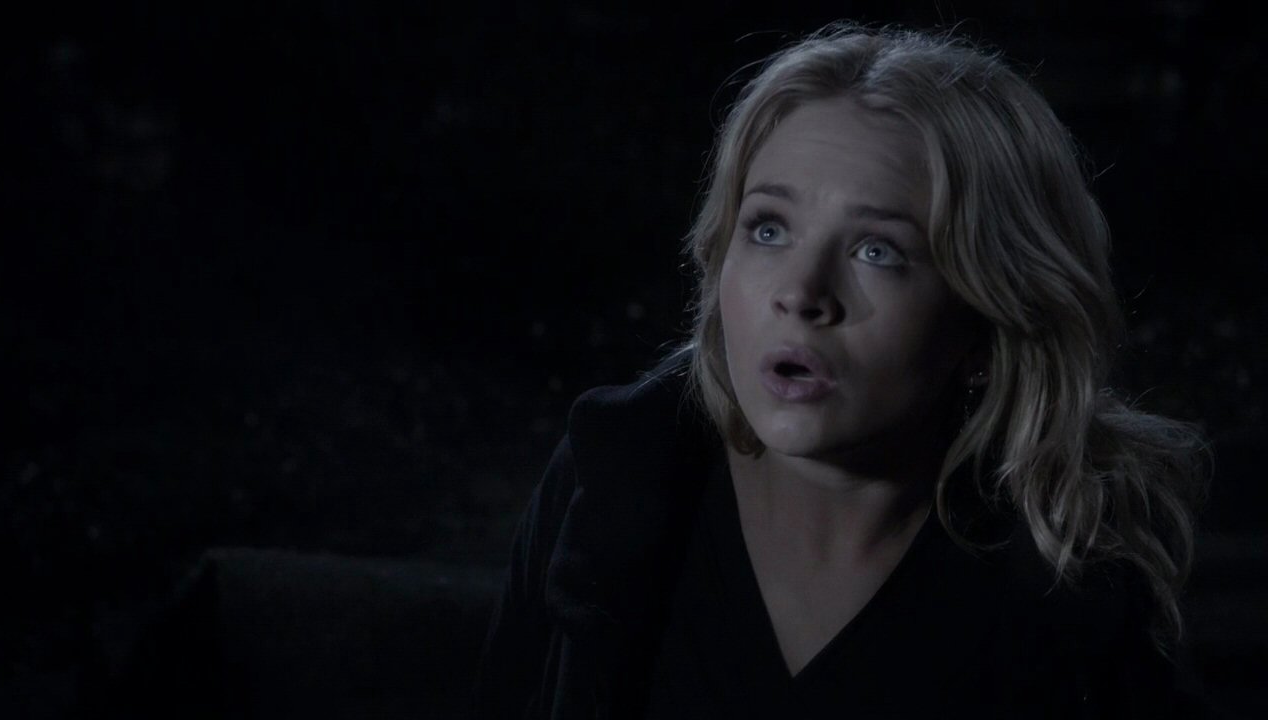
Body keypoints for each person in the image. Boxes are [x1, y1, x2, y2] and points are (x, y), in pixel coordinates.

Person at [473, 21, 1210, 719]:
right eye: (768, 229)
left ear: (988, 327)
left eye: (876, 251)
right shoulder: (614, 476)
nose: (801, 293)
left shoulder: (1069, 585)